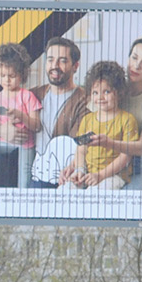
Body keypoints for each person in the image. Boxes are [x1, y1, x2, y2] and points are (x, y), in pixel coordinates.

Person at [89, 34, 142, 191]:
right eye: (134, 57)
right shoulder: (106, 91)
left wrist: (109, 143)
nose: (137, 66)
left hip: (138, 167)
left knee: (123, 202)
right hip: (102, 160)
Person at [59, 61, 137, 190]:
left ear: (120, 92)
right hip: (88, 173)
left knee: (95, 193)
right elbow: (81, 150)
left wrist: (100, 175)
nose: (100, 97)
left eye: (106, 92)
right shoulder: (87, 120)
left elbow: (126, 156)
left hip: (114, 175)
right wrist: (79, 170)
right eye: (95, 93)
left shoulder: (127, 120)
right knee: (63, 190)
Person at [26, 37, 89, 188]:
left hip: (67, 180)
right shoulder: (33, 95)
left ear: (75, 66)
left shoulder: (85, 100)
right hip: (36, 177)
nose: (54, 66)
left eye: (62, 60)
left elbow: (81, 144)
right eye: (50, 60)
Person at [0, 42, 41, 184]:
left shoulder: (27, 96)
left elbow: (36, 125)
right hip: (1, 147)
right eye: (2, 75)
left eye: (11, 75)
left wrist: (20, 115)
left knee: (24, 182)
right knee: (0, 181)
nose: (7, 79)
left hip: (25, 147)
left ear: (21, 74)